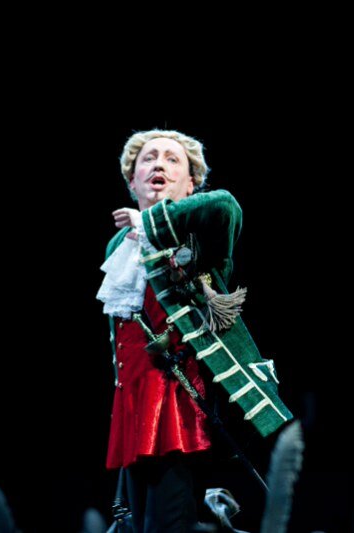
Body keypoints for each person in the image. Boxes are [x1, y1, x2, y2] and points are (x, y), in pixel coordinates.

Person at [97, 129, 230, 532]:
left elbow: (226, 204)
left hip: (181, 403)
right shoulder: (120, 245)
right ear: (132, 181)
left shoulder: (201, 227)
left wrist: (150, 221)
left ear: (191, 184)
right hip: (133, 404)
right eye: (149, 159)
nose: (159, 164)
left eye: (173, 160)